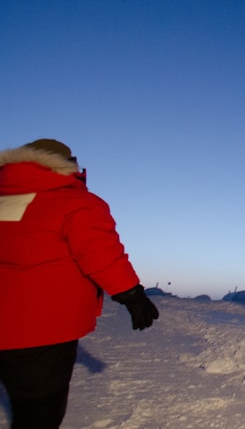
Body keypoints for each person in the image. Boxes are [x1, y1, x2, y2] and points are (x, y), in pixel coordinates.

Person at [0, 139, 159, 428]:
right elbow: (100, 254)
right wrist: (132, 294)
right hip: (40, 329)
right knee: (39, 409)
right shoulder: (73, 202)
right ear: (67, 165)